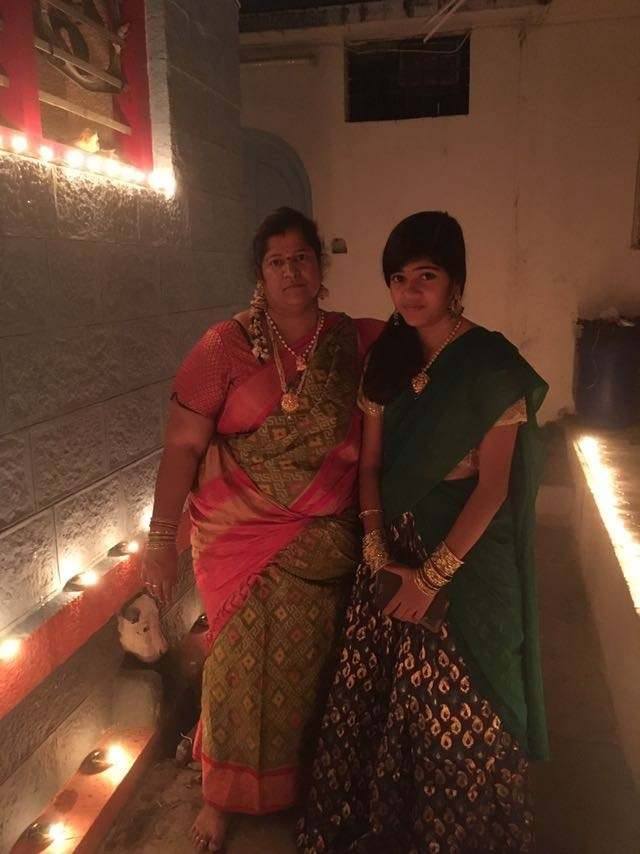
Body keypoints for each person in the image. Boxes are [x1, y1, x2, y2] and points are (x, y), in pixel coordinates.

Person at [298, 211, 549, 853]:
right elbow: (371, 466)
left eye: (426, 276)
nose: (409, 292)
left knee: (461, 711)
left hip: (464, 561)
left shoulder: (490, 367)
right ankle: (384, 826)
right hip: (389, 556)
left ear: (455, 282)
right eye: (398, 278)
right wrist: (377, 552)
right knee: (376, 699)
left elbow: (492, 488)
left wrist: (431, 580)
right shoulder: (386, 359)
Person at [140, 207, 382, 852]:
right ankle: (220, 797)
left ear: (320, 267)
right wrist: (160, 540)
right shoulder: (225, 347)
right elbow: (182, 446)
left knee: (308, 670)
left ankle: (300, 786)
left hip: (325, 540)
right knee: (234, 669)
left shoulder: (354, 343)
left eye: (301, 257)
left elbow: (418, 383)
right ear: (260, 273)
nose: (291, 271)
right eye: (277, 261)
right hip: (238, 536)